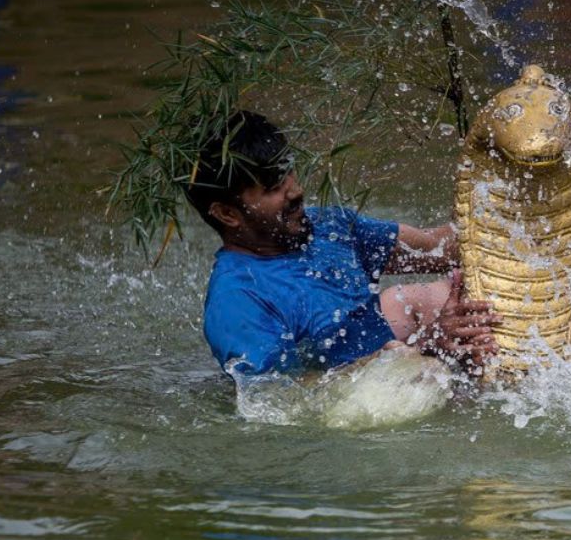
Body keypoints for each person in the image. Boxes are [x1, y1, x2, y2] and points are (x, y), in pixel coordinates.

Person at [184, 110, 499, 377]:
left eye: (288, 172)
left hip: (391, 354)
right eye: (272, 187)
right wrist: (427, 347)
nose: (295, 191)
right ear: (227, 214)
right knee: (423, 373)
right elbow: (286, 402)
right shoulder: (238, 303)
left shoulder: (329, 227)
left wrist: (522, 221)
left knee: (436, 296)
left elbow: (436, 247)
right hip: (366, 396)